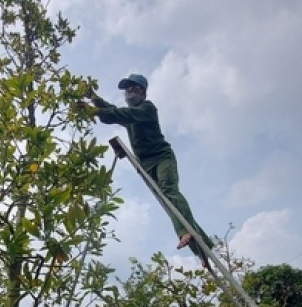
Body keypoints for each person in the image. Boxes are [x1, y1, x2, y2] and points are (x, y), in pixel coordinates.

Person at [87, 73, 213, 266]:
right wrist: (93, 97)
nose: (128, 92)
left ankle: (185, 232)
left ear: (142, 91)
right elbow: (112, 110)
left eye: (133, 88)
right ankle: (202, 248)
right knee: (167, 202)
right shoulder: (129, 114)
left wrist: (94, 112)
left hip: (162, 157)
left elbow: (122, 114)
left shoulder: (147, 108)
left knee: (169, 190)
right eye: (126, 89)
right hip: (145, 165)